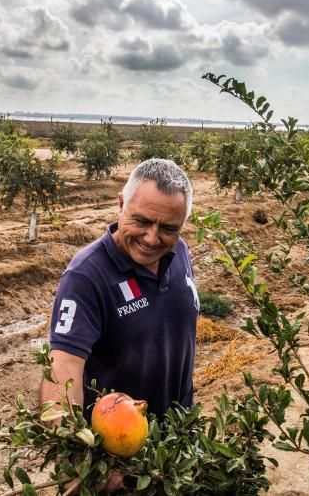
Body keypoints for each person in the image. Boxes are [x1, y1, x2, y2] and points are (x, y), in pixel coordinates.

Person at [40, 158, 199, 422]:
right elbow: (65, 366)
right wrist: (68, 437)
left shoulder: (179, 251)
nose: (152, 238)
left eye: (169, 228)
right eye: (142, 221)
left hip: (177, 442)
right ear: (121, 204)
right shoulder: (86, 277)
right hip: (118, 451)